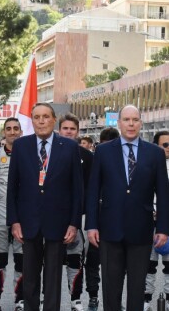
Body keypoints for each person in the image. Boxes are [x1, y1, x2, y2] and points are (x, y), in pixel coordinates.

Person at [86, 105, 169, 311]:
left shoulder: (156, 153)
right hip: (109, 229)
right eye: (126, 120)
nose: (131, 124)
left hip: (141, 230)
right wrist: (91, 225)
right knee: (111, 286)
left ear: (141, 123)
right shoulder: (103, 151)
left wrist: (163, 228)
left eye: (135, 120)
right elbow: (93, 191)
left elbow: (164, 194)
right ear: (119, 122)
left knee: (137, 287)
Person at [7, 102, 83, 311]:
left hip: (58, 223)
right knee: (29, 276)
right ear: (32, 121)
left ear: (53, 120)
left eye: (45, 117)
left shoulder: (69, 146)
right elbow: (12, 187)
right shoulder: (21, 145)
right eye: (37, 117)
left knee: (53, 277)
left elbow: (77, 189)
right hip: (28, 221)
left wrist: (74, 223)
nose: (41, 121)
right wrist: (14, 221)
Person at [58, 113, 94, 311]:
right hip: (53, 216)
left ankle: (76, 299)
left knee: (76, 259)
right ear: (59, 130)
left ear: (77, 132)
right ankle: (48, 297)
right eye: (65, 128)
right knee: (50, 261)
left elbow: (91, 188)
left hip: (78, 217)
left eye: (72, 129)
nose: (69, 132)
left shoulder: (87, 156)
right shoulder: (49, 153)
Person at [0, 117, 23, 311]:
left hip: (22, 215)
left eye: (15, 128)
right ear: (4, 132)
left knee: (22, 260)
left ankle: (20, 299)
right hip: (1, 213)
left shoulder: (29, 153)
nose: (12, 132)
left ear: (20, 131)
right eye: (8, 129)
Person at [144, 130, 169, 309]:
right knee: (148, 266)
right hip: (149, 222)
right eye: (165, 145)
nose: (168, 148)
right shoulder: (148, 164)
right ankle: (145, 301)